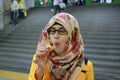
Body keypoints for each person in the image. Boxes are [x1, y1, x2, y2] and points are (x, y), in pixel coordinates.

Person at [28, 12, 94, 80]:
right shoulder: (40, 58)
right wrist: (39, 71)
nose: (56, 36)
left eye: (62, 31)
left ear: (73, 35)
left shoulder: (86, 66)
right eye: (52, 30)